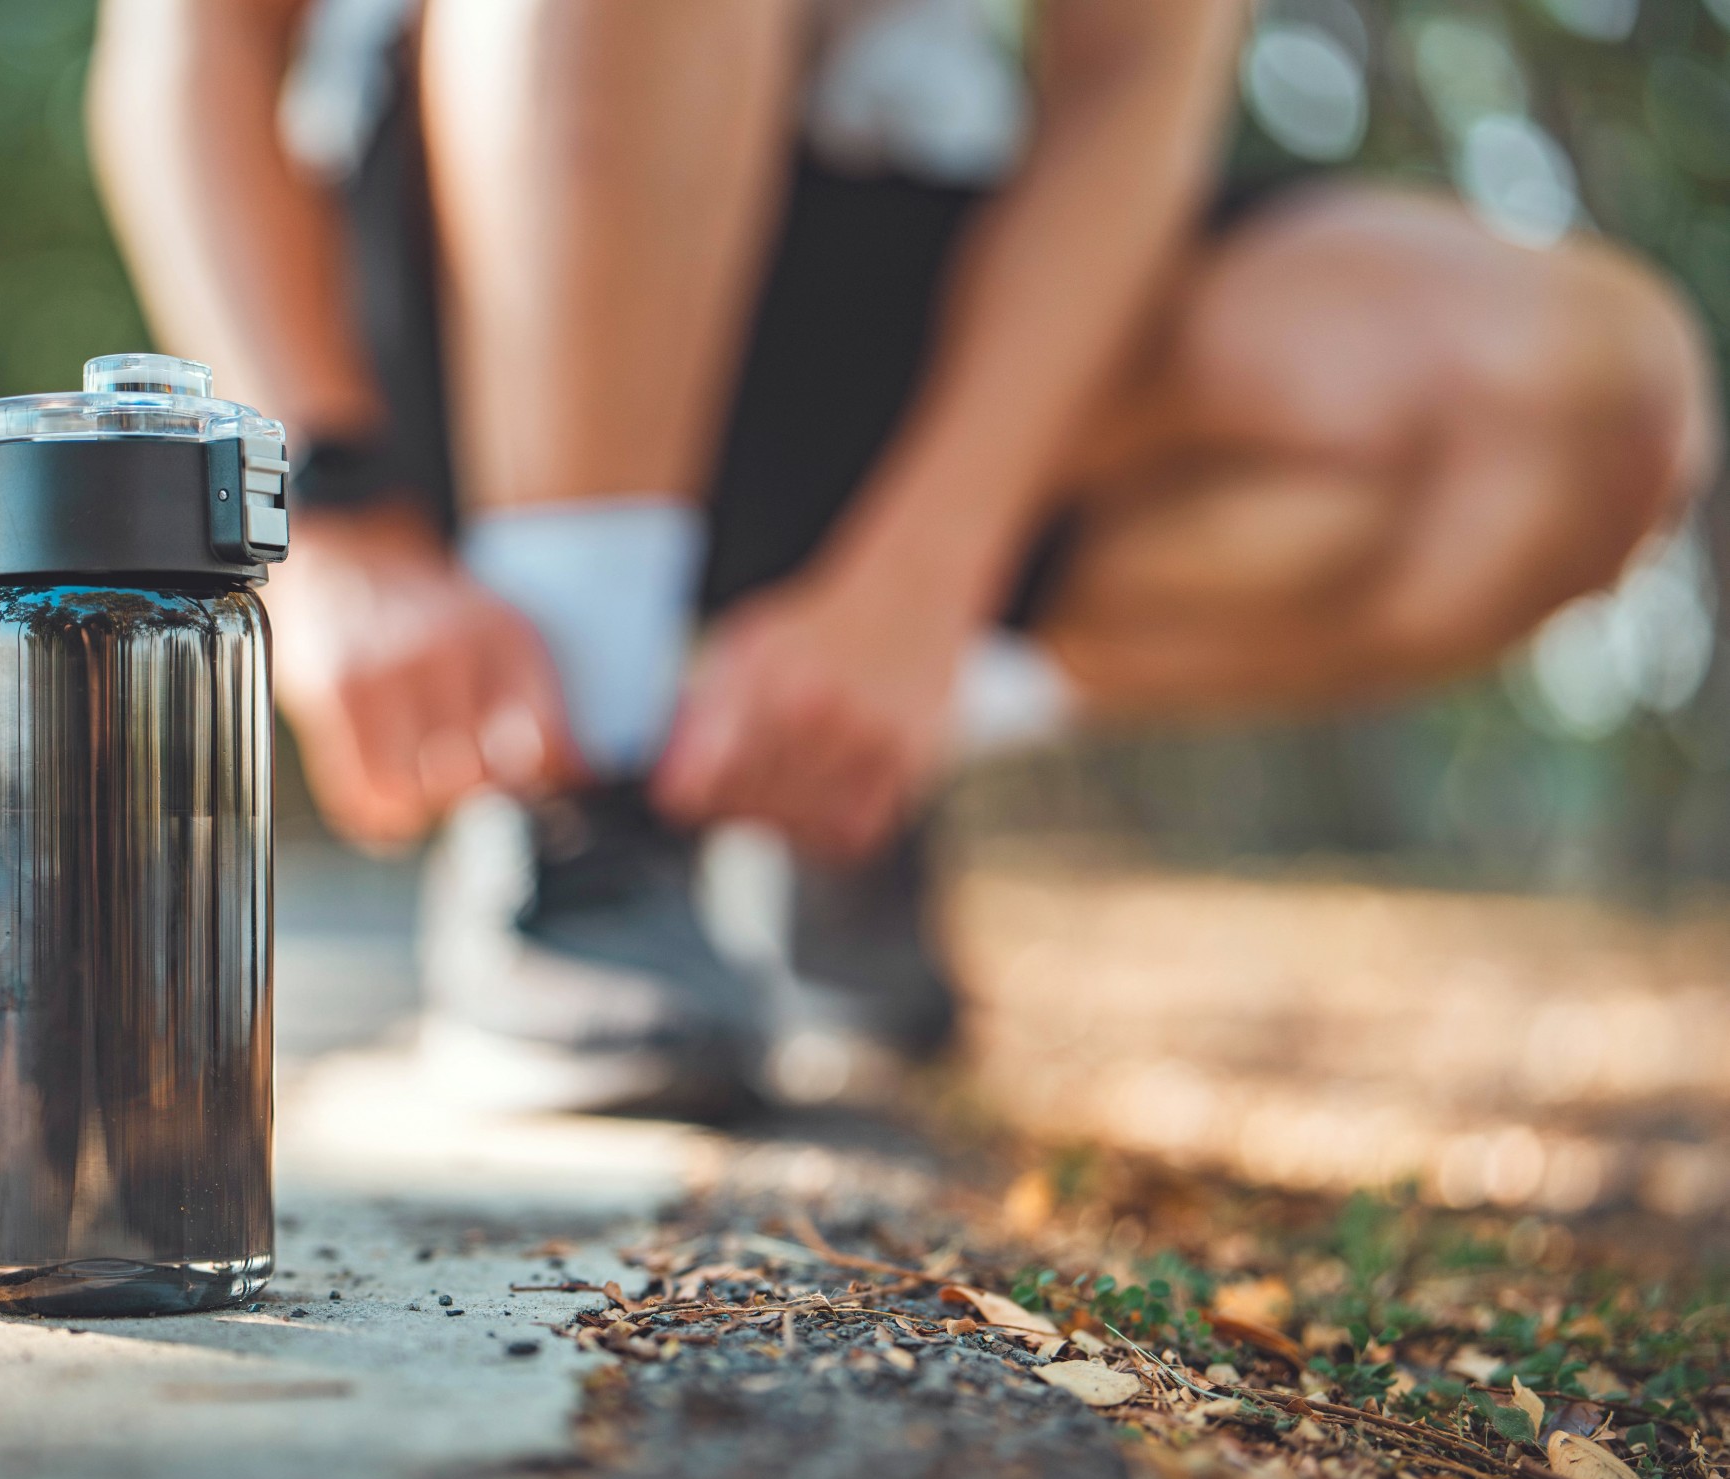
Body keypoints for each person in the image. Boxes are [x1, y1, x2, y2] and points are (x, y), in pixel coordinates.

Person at [83, 0, 1715, 1103]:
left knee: (1580, 409)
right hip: (471, 256)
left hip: (916, 257)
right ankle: (586, 792)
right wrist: (327, 520)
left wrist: (916, 595)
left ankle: (822, 758)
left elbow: (1139, 70)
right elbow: (179, 49)